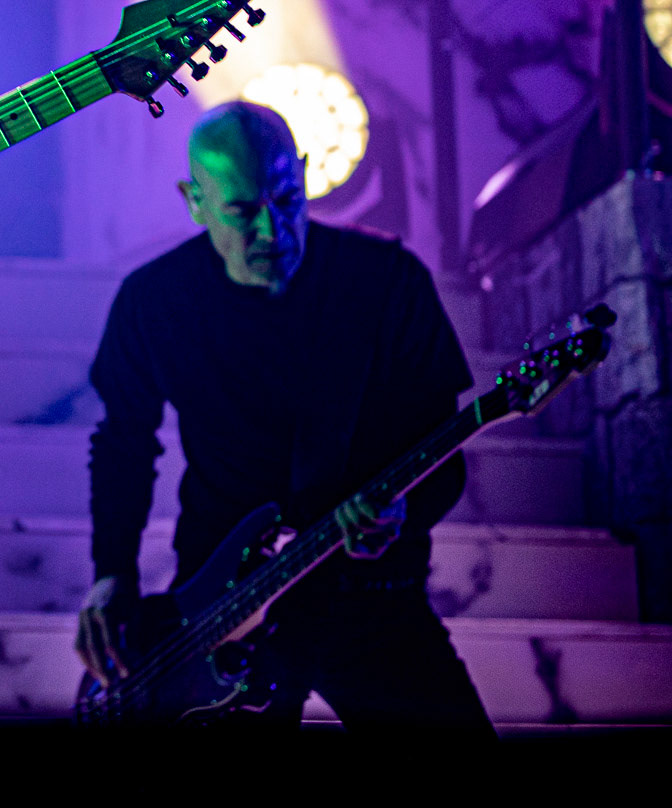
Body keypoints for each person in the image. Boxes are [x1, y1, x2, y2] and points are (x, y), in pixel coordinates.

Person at [74, 102, 494, 730]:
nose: (273, 231)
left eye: (287, 198)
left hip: (370, 595)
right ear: (194, 200)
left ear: (302, 173)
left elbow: (442, 449)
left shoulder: (386, 281)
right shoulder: (153, 300)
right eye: (242, 210)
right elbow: (123, 445)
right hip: (221, 608)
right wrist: (113, 573)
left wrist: (403, 511)